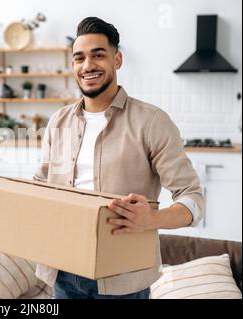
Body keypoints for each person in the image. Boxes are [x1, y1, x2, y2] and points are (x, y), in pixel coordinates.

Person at [33, 17, 204, 299]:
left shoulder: (151, 121)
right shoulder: (58, 121)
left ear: (118, 59)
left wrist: (153, 218)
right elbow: (41, 185)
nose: (87, 65)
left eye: (98, 55)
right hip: (62, 271)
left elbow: (192, 197)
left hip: (124, 280)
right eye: (79, 58)